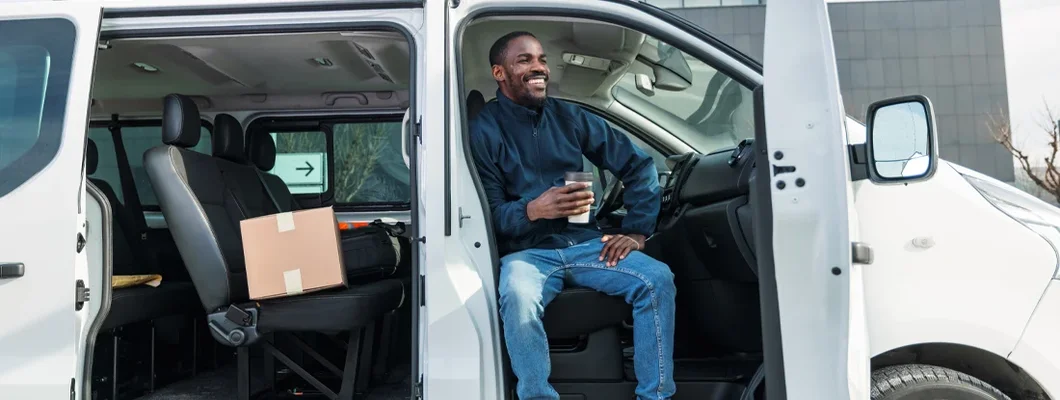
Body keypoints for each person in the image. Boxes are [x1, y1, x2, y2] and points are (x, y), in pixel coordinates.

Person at [468, 31, 676, 400]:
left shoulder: (570, 117)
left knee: (656, 279)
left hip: (584, 243)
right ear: (499, 73)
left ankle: (656, 397)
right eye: (525, 60)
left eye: (542, 59)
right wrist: (533, 209)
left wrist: (638, 231)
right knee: (517, 295)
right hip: (526, 253)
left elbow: (638, 166)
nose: (539, 68)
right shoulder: (484, 130)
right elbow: (489, 216)